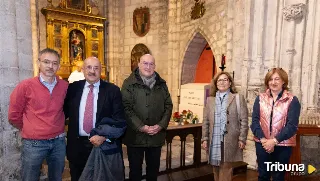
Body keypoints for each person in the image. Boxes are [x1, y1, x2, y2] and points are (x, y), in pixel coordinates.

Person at [8, 48, 68, 181]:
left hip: (58, 141)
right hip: (34, 143)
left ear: (58, 66)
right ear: (39, 63)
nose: (50, 66)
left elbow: (67, 109)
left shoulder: (65, 86)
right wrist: (30, 127)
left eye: (54, 63)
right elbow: (13, 114)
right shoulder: (25, 86)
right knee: (29, 177)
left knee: (57, 177)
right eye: (46, 62)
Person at [64, 57, 126, 181]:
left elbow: (120, 120)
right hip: (76, 147)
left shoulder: (112, 90)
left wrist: (104, 137)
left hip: (101, 146)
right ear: (83, 70)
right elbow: (63, 112)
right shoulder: (72, 88)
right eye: (89, 67)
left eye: (96, 68)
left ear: (101, 70)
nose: (92, 71)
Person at [121, 54, 173, 181]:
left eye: (151, 64)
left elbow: (168, 105)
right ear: (139, 64)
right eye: (145, 63)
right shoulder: (128, 83)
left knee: (153, 171)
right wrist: (141, 126)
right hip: (135, 136)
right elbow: (126, 108)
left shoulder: (161, 84)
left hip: (156, 136)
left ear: (154, 66)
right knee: (135, 172)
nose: (148, 66)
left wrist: (161, 125)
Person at [251, 68, 301, 181]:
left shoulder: (292, 100)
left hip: (283, 145)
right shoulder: (260, 98)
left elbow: (292, 126)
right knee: (263, 175)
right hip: (262, 144)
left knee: (278, 177)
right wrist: (264, 140)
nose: (273, 82)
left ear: (283, 81)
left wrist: (274, 141)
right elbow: (254, 121)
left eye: (277, 79)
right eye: (271, 79)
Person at [201, 72, 249, 181]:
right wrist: (205, 138)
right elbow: (206, 121)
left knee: (226, 169)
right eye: (219, 80)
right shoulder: (210, 100)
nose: (222, 82)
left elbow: (244, 120)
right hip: (214, 140)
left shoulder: (237, 98)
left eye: (225, 79)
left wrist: (242, 138)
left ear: (230, 83)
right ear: (216, 83)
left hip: (230, 139)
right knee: (216, 169)